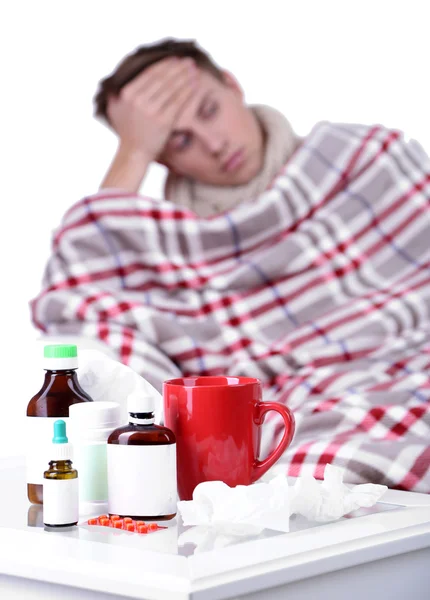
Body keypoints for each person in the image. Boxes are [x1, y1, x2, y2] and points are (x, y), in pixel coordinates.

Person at [94, 38, 300, 217]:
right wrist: (134, 153)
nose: (215, 145)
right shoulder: (171, 250)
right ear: (165, 162)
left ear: (232, 85)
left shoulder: (331, 153)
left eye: (210, 111)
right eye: (182, 142)